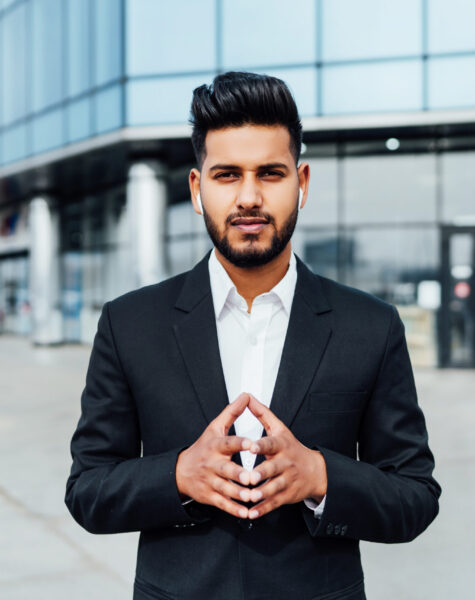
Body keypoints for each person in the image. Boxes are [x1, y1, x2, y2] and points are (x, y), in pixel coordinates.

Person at [65, 71, 441, 600]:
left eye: (269, 173)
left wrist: (319, 475)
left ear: (301, 183)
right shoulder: (130, 324)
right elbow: (87, 491)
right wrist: (177, 474)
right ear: (197, 189)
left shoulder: (370, 326)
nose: (248, 197)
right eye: (226, 175)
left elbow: (415, 497)